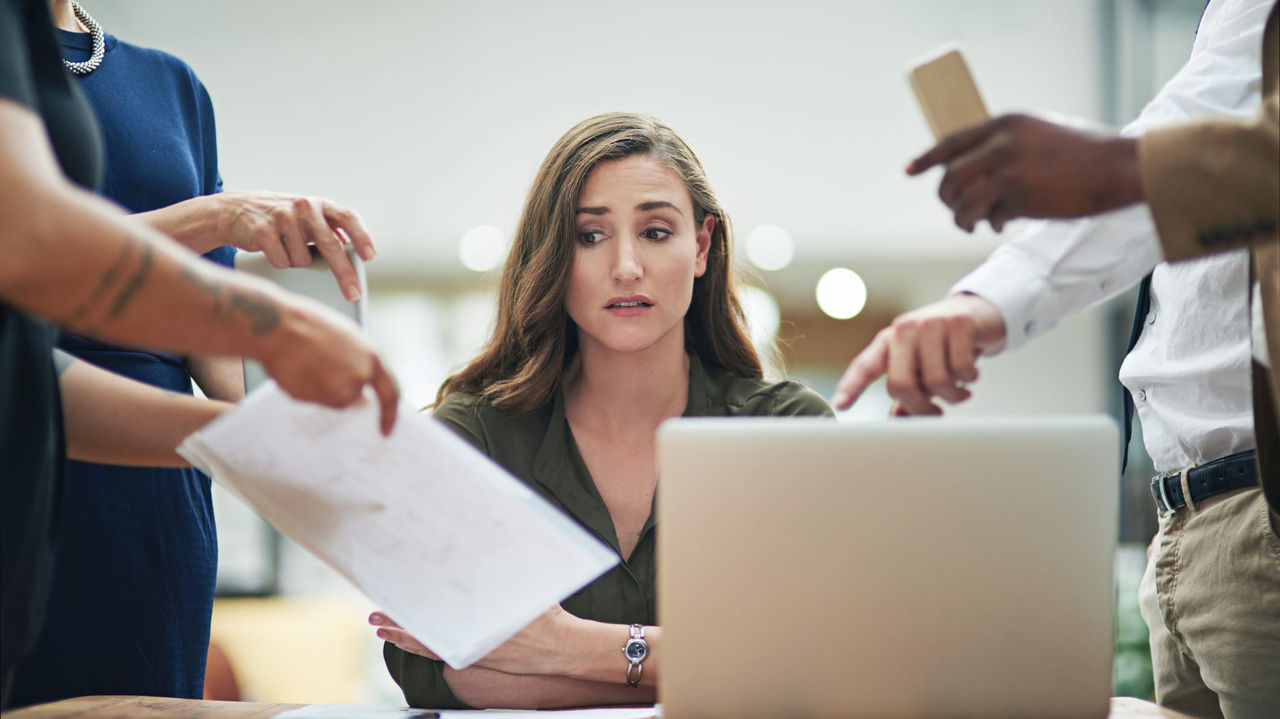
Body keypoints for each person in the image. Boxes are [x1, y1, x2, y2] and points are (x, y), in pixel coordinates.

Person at [833, 1, 1278, 716]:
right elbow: (1196, 149)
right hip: (1189, 522)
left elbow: (1201, 154)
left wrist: (1115, 165)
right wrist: (986, 302)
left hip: (1262, 512)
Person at [0, 0, 398, 706]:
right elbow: (34, 245)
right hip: (31, 448)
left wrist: (268, 439)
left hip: (155, 489)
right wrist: (236, 257)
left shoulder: (173, 86)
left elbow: (209, 321)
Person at [372, 112, 832, 709]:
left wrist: (560, 645)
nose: (626, 267)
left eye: (657, 232)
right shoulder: (475, 435)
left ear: (702, 245)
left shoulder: (788, 432)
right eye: (589, 236)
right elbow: (421, 664)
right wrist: (692, 664)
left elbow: (813, 653)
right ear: (553, 258)